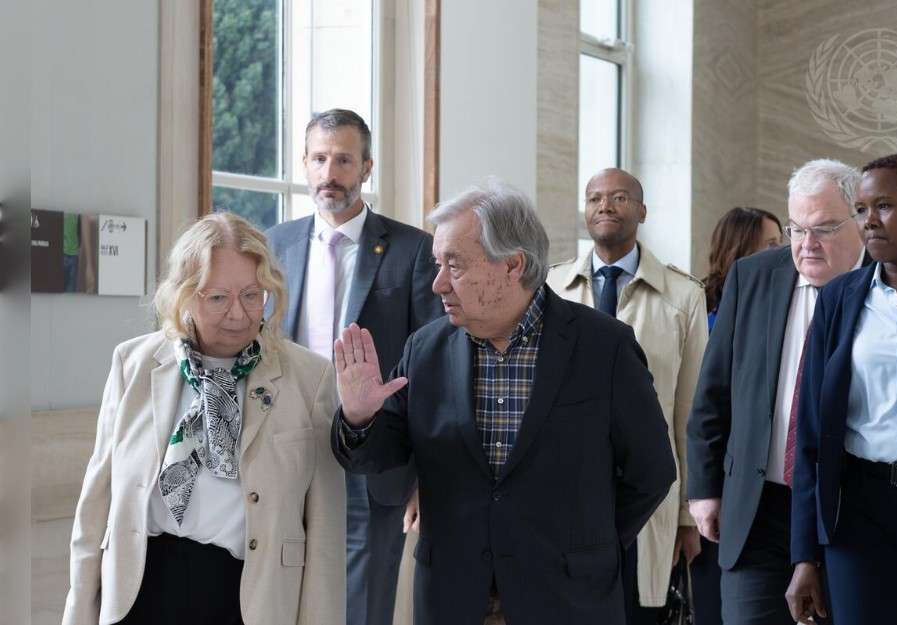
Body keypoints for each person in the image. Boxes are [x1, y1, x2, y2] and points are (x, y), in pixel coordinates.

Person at [331, 179, 675, 625]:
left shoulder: (604, 347)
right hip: (454, 598)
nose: (437, 284)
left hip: (568, 599)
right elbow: (382, 457)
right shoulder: (425, 350)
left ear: (512, 265)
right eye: (438, 264)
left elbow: (651, 471)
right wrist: (359, 415)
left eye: (453, 265)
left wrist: (590, 546)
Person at [62, 213, 345, 625]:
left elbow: (324, 538)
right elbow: (97, 504)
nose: (238, 314)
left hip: (247, 597)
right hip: (138, 587)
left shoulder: (310, 379)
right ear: (184, 296)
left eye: (252, 295)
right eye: (218, 298)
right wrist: (77, 614)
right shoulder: (134, 364)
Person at [266, 108, 441, 625]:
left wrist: (427, 477)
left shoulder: (412, 251)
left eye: (343, 160)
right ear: (304, 163)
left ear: (366, 167)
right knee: (278, 598)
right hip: (286, 449)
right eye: (319, 159)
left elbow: (431, 371)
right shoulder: (275, 245)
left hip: (375, 461)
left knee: (361, 608)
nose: (329, 173)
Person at [787, 154, 897, 625]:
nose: (869, 220)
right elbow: (812, 432)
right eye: (863, 209)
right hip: (861, 516)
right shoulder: (839, 300)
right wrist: (805, 556)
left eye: (884, 206)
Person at [686, 158, 866, 625]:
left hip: (851, 509)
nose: (807, 245)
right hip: (759, 503)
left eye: (824, 229)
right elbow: (714, 391)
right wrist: (704, 489)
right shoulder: (754, 276)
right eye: (796, 229)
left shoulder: (884, 286)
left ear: (861, 219)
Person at [547, 168, 708, 624]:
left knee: (637, 610)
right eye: (595, 197)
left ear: (641, 210)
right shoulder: (552, 289)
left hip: (645, 490)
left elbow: (690, 411)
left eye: (618, 197)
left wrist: (686, 517)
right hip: (568, 487)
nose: (605, 205)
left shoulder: (683, 295)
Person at [703, 207, 783, 332]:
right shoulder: (702, 308)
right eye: (771, 244)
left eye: (780, 242)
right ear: (742, 249)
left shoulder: (780, 299)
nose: (782, 251)